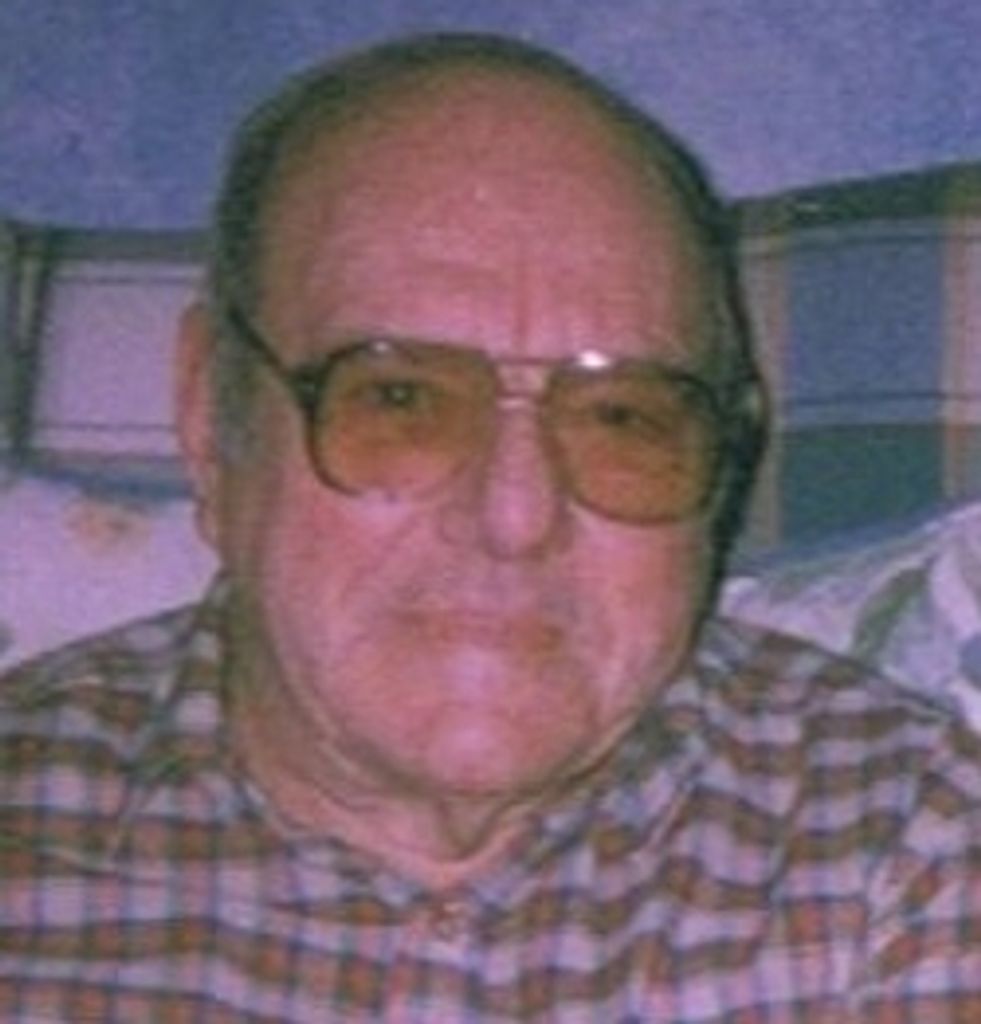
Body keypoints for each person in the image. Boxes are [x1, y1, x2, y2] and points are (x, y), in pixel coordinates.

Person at [2, 32, 980, 1022]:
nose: (515, 518)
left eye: (622, 419)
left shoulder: (908, 839)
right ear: (214, 423)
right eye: (400, 400)